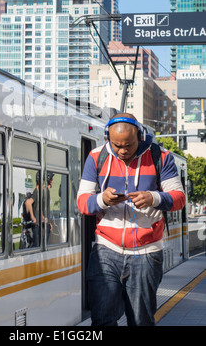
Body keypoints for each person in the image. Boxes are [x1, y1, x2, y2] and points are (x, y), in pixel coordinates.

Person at [77, 112, 185, 326]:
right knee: (102, 319)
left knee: (140, 320)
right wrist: (103, 199)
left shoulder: (161, 157)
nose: (123, 150)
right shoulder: (96, 157)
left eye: (129, 144)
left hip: (146, 251)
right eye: (117, 145)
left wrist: (152, 197)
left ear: (141, 136)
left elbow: (179, 198)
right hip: (106, 249)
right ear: (107, 138)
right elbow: (82, 202)